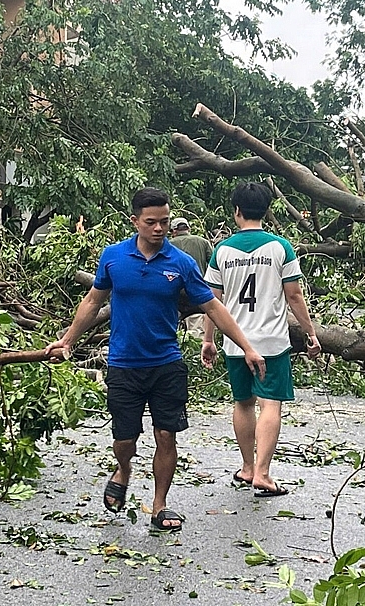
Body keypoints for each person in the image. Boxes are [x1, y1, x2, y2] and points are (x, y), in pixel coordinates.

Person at [44, 187, 265, 533]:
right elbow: (92, 301)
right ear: (135, 222)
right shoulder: (114, 257)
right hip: (123, 364)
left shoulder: (181, 263)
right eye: (151, 222)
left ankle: (160, 505)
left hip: (166, 364)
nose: (159, 228)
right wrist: (67, 340)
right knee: (125, 439)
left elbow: (212, 306)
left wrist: (246, 346)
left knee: (166, 435)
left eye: (164, 221)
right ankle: (124, 469)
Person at [200, 182, 322, 497]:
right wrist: (311, 333)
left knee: (243, 403)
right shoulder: (281, 247)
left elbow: (211, 300)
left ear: (236, 211)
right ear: (266, 211)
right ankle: (264, 473)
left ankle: (247, 468)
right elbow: (293, 294)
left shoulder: (222, 251)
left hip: (235, 341)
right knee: (271, 403)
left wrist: (208, 340)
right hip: (271, 341)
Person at [169, 217, 214, 337]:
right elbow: (214, 266)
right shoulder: (203, 242)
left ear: (174, 231)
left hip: (175, 295)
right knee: (197, 329)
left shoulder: (167, 245)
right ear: (188, 228)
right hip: (198, 293)